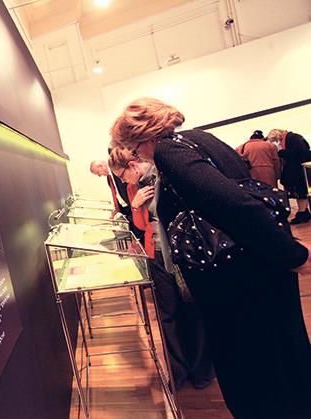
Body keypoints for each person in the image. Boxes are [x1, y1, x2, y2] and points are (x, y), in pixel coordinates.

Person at [110, 97, 311, 419]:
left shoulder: (169, 151)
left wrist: (295, 255)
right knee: (285, 363)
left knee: (258, 379)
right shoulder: (199, 139)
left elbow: (235, 205)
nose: (137, 156)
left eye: (133, 149)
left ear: (144, 137)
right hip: (258, 274)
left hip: (239, 288)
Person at [108, 147, 214, 391]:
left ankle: (201, 370)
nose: (123, 181)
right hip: (155, 253)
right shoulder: (134, 188)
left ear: (133, 166)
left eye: (123, 175)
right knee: (168, 314)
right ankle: (178, 371)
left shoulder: (165, 174)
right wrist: (136, 206)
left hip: (183, 252)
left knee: (194, 310)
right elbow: (140, 225)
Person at [90, 160, 144, 242]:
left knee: (139, 229)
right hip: (126, 208)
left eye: (98, 173)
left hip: (133, 203)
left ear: (100, 166)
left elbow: (129, 186)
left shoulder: (117, 171)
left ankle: (142, 245)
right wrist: (116, 209)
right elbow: (116, 194)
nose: (99, 176)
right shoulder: (109, 178)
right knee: (135, 230)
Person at [266, 129, 311, 224]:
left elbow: (298, 153)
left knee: (301, 192)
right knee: (301, 192)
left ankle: (302, 213)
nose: (277, 142)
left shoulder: (292, 139)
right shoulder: (293, 138)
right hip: (300, 170)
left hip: (299, 171)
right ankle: (303, 212)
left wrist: (281, 153)